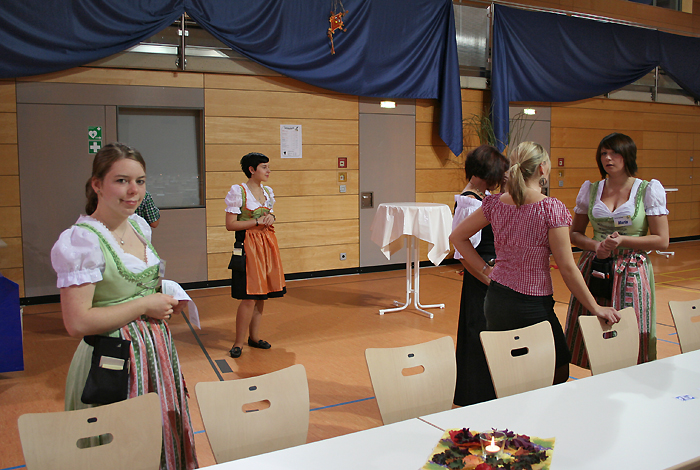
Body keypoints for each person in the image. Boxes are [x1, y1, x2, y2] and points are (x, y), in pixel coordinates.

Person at [50, 143, 197, 470]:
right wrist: (144, 304)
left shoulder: (139, 227)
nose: (134, 191)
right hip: (112, 359)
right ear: (97, 185)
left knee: (157, 442)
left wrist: (163, 295)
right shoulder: (82, 241)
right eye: (121, 181)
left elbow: (139, 284)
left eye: (140, 181)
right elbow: (77, 322)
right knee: (121, 450)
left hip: (155, 354)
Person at [450, 141, 620, 386]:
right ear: (542, 168)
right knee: (556, 371)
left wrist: (487, 269)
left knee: (511, 376)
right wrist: (595, 307)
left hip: (497, 300)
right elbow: (567, 267)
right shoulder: (550, 208)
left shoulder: (495, 203)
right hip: (532, 304)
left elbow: (457, 237)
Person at [565, 132, 669, 367]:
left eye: (614, 153)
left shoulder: (647, 190)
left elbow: (662, 240)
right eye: (604, 153)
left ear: (627, 155)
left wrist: (623, 240)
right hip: (595, 265)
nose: (608, 158)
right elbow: (575, 234)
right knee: (592, 330)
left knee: (628, 331)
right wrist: (596, 245)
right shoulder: (591, 189)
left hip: (631, 269)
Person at [451, 145, 508, 407]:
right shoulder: (469, 202)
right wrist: (487, 274)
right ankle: (476, 395)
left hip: (488, 276)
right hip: (481, 278)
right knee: (478, 333)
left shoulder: (482, 198)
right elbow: (462, 252)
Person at [225, 152, 286, 358]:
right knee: (249, 297)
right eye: (264, 167)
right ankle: (238, 343)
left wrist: (271, 217)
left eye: (268, 167)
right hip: (247, 245)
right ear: (252, 170)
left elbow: (269, 214)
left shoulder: (267, 192)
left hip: (266, 244)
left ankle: (254, 337)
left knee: (261, 296)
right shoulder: (238, 191)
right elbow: (230, 225)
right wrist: (257, 222)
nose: (268, 171)